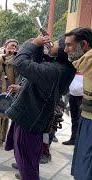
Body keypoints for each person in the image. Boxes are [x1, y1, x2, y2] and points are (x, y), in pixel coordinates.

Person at [4, 35, 76, 180]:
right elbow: (36, 65)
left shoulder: (55, 70)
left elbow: (20, 63)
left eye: (55, 43)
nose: (51, 44)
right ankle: (26, 173)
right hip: (31, 115)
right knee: (27, 156)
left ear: (62, 50)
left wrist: (32, 43)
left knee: (27, 157)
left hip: (31, 118)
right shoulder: (61, 67)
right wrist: (37, 47)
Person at [64, 27, 92, 180]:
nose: (65, 49)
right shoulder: (85, 63)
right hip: (86, 118)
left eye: (69, 45)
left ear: (84, 45)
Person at [62, 72, 83, 145]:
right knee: (74, 119)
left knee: (81, 120)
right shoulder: (74, 66)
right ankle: (73, 138)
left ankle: (80, 141)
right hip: (72, 95)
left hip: (83, 97)